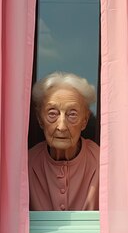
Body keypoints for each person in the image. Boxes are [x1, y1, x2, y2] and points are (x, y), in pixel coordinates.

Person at [29, 72, 100, 210]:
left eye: (72, 114)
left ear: (84, 121)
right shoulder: (27, 165)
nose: (61, 126)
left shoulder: (102, 163)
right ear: (40, 120)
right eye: (52, 114)